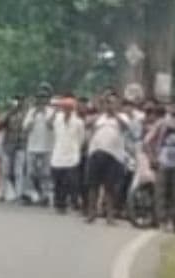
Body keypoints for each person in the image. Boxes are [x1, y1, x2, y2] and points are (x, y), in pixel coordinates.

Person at [86, 93, 130, 224]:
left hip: (113, 155)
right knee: (93, 185)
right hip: (96, 152)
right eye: (108, 102)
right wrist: (100, 112)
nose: (109, 105)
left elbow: (125, 127)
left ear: (117, 104)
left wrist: (114, 114)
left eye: (112, 102)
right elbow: (88, 124)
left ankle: (110, 216)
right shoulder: (100, 117)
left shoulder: (122, 117)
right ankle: (91, 213)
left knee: (109, 187)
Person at [145, 102, 175, 232]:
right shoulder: (161, 123)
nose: (174, 109)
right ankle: (162, 221)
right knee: (161, 192)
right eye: (171, 106)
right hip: (163, 161)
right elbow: (147, 141)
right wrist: (152, 158)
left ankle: (174, 220)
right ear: (167, 109)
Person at [50, 96, 85, 214]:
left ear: (72, 109)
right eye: (63, 108)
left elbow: (81, 139)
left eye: (68, 108)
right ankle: (59, 203)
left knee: (69, 181)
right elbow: (53, 131)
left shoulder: (78, 122)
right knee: (58, 181)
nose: (65, 110)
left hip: (71, 155)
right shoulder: (57, 119)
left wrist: (76, 150)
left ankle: (72, 202)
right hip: (58, 154)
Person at [21, 92, 54, 206]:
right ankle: (31, 194)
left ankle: (45, 196)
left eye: (44, 98)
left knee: (45, 173)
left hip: (47, 146)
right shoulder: (31, 112)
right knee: (30, 172)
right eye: (39, 98)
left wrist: (46, 115)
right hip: (32, 147)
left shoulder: (51, 112)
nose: (41, 100)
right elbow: (26, 128)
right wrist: (34, 115)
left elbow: (51, 126)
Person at [0, 95, 27, 202]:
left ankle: (19, 194)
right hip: (8, 145)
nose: (18, 103)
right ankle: (3, 193)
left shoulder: (26, 114)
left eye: (20, 101)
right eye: (16, 101)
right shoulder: (8, 113)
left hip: (20, 145)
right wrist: (9, 113)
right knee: (5, 171)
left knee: (18, 171)